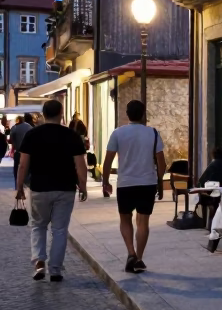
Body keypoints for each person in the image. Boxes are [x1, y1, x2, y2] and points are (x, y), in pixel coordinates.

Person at [16, 99, 88, 282]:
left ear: (43, 114)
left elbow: (23, 165)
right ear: (61, 113)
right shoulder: (71, 136)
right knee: (60, 229)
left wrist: (19, 187)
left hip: (39, 188)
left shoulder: (32, 135)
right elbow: (80, 164)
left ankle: (39, 262)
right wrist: (83, 185)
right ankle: (55, 269)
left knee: (38, 225)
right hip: (65, 188)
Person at [101, 100, 166, 274]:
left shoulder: (118, 133)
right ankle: (139, 258)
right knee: (143, 221)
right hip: (147, 183)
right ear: (143, 114)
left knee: (125, 219)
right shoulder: (153, 133)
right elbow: (161, 162)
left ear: (127, 114)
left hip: (125, 183)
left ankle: (131, 252)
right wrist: (159, 180)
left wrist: (105, 181)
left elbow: (107, 161)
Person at [10, 114, 32, 189]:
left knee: (17, 170)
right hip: (28, 153)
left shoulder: (14, 128)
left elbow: (11, 140)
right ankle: (27, 186)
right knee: (27, 170)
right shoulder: (29, 127)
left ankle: (18, 186)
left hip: (18, 152)